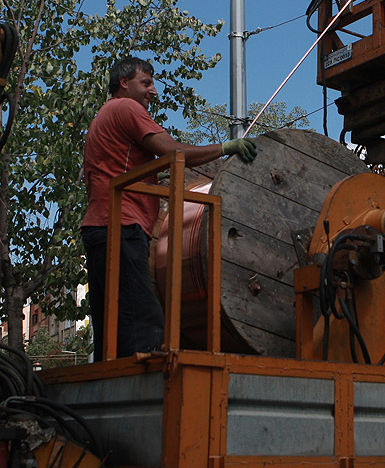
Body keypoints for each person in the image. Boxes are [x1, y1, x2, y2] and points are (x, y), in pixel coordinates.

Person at [81, 57, 258, 362]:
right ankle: (146, 396)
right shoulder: (126, 108)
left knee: (112, 326)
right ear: (124, 83)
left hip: (100, 228)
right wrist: (226, 148)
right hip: (121, 226)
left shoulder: (102, 116)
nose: (154, 91)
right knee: (144, 322)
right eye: (146, 83)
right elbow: (176, 153)